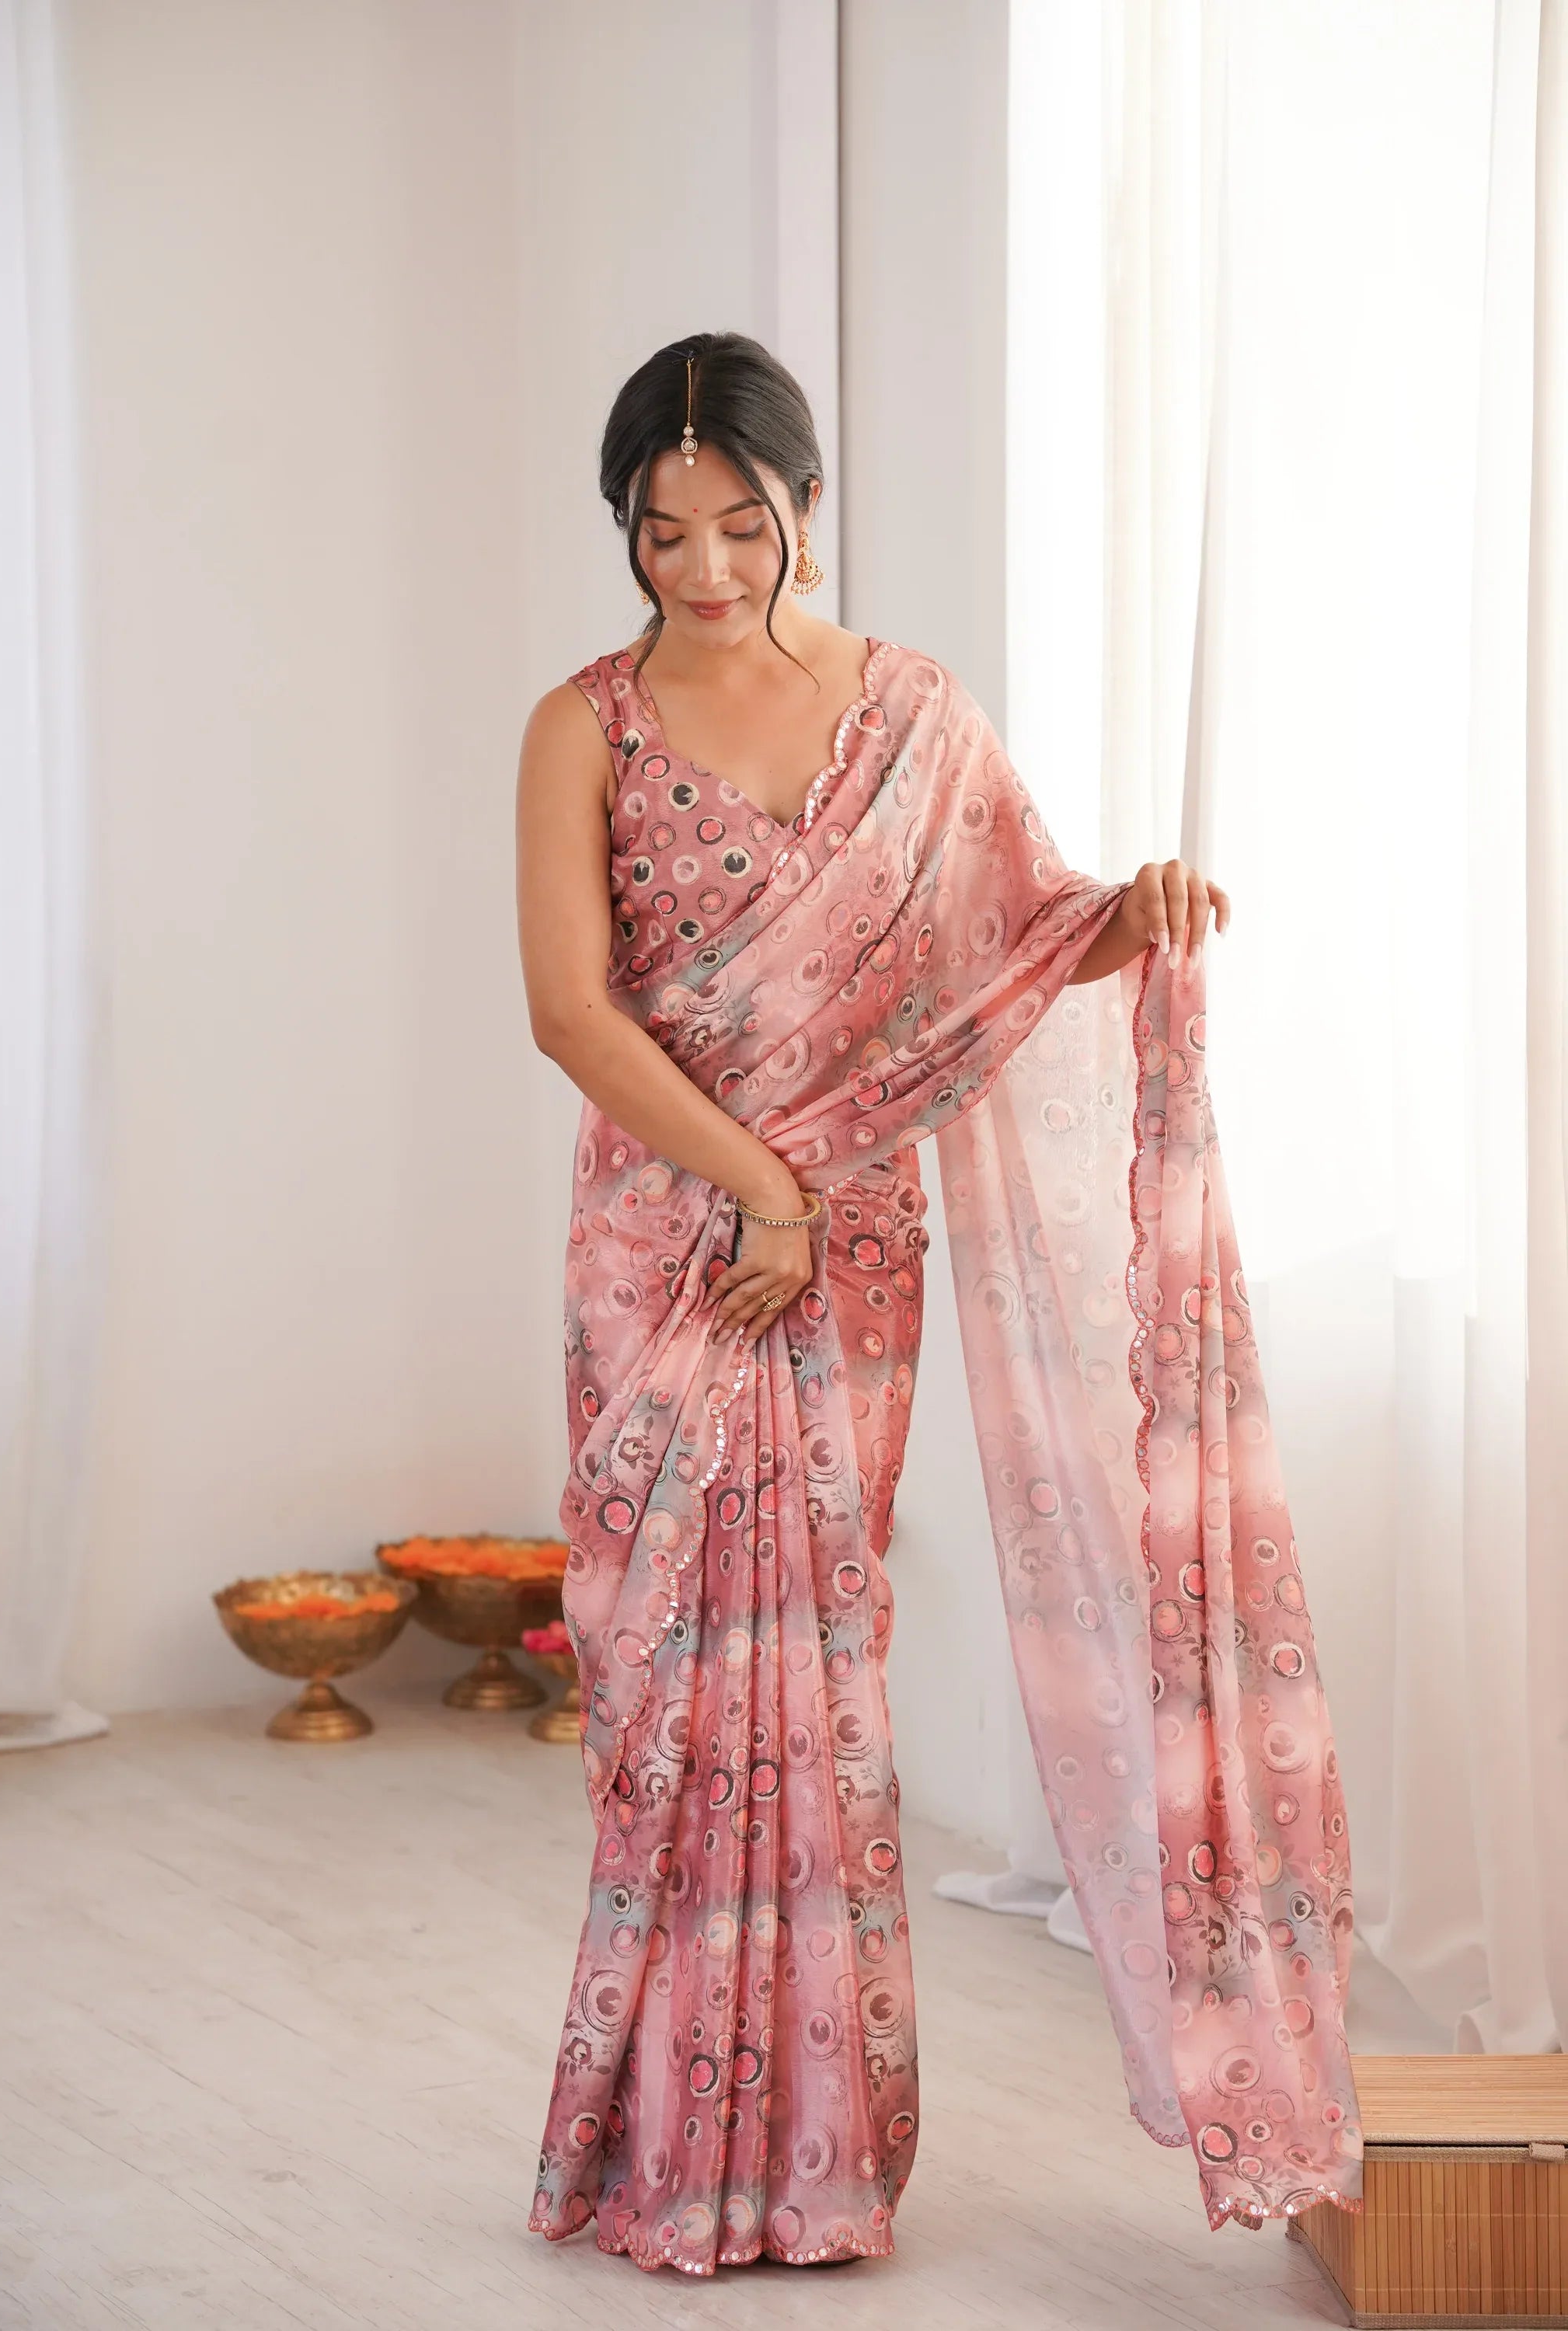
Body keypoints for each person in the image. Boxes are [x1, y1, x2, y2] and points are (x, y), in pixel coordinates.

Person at [515, 332, 1362, 2278]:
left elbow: (1008, 931)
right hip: (678, 1248)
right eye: (665, 532)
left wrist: (1128, 917)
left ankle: (810, 2163)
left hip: (848, 1252)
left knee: (815, 1678)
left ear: (805, 509)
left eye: (744, 524)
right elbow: (570, 1008)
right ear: (625, 529)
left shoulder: (912, 716)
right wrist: (752, 1185)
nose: (707, 569)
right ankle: (656, 2146)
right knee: (667, 1688)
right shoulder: (582, 725)